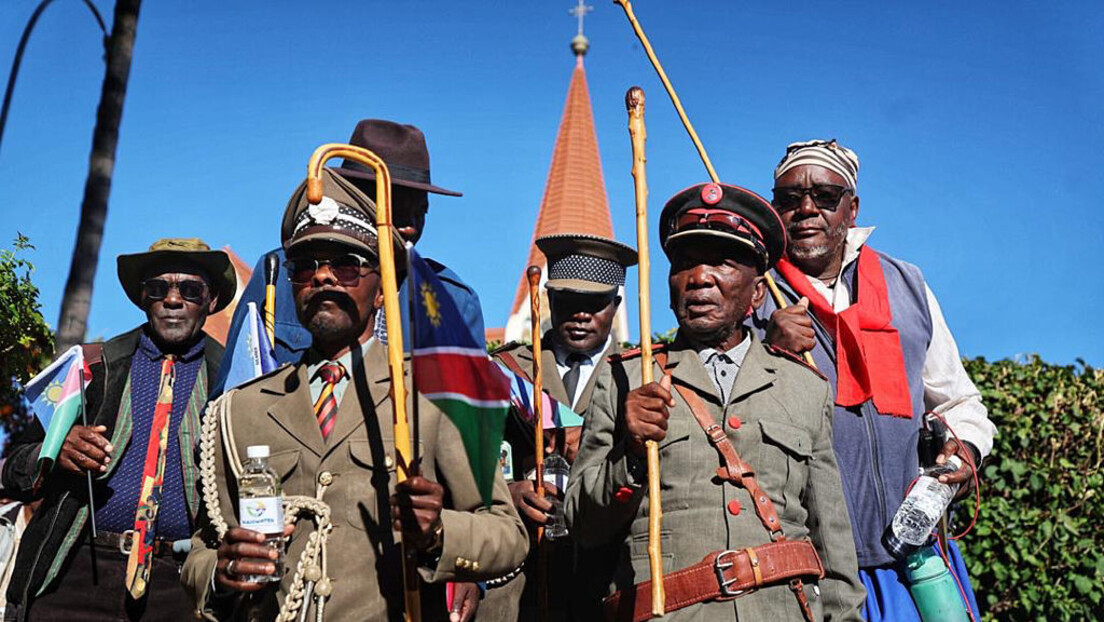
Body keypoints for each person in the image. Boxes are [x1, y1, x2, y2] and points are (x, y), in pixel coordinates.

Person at [181, 169, 528, 621]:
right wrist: (220, 572)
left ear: (382, 289)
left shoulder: (433, 396)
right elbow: (203, 550)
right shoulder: (240, 410)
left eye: (346, 265)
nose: (323, 276)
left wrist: (439, 534)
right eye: (306, 266)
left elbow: (506, 532)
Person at [566, 182, 865, 621]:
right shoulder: (624, 377)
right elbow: (582, 526)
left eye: (721, 263)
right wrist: (629, 455)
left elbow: (833, 542)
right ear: (668, 286)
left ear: (757, 292)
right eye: (684, 265)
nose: (700, 278)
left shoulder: (804, 387)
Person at [752, 139, 995, 620]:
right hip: (811, 567)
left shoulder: (907, 283)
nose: (806, 209)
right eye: (789, 199)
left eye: (824, 196)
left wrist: (964, 450)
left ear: (851, 207)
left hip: (916, 560)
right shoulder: (757, 294)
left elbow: (959, 402)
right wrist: (766, 351)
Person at [2, 238, 234, 621]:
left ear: (211, 301)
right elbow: (13, 469)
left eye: (190, 290)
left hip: (178, 587)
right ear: (144, 299)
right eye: (158, 289)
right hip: (75, 573)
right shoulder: (90, 367)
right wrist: (55, 451)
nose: (172, 300)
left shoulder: (232, 380)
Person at [212, 119, 484, 396]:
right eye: (397, 210)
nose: (411, 226)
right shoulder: (281, 272)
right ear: (352, 200)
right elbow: (227, 398)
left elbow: (470, 418)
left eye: (420, 212)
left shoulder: (452, 299)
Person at [484, 233, 637, 621]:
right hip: (520, 581)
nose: (581, 314)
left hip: (609, 584)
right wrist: (507, 492)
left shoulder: (641, 376)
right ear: (549, 298)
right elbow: (460, 463)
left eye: (595, 304)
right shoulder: (505, 372)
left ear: (616, 305)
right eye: (570, 301)